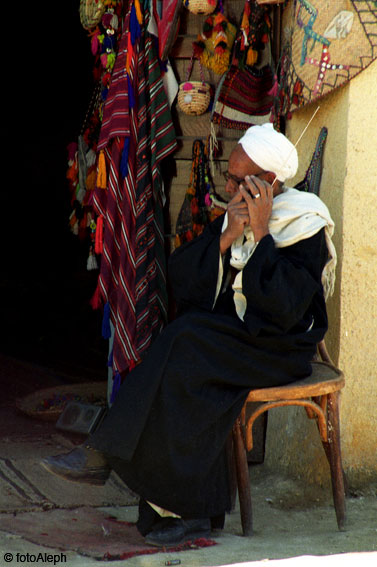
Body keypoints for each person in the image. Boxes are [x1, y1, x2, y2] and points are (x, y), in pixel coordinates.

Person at [41, 123, 336, 547]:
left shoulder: (304, 223)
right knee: (184, 342)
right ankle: (182, 509)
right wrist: (227, 237)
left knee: (187, 341)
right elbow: (185, 281)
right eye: (229, 177)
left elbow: (284, 308)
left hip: (278, 346)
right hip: (240, 336)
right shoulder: (237, 214)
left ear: (268, 183)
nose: (228, 186)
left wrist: (263, 232)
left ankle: (105, 452)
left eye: (238, 180)